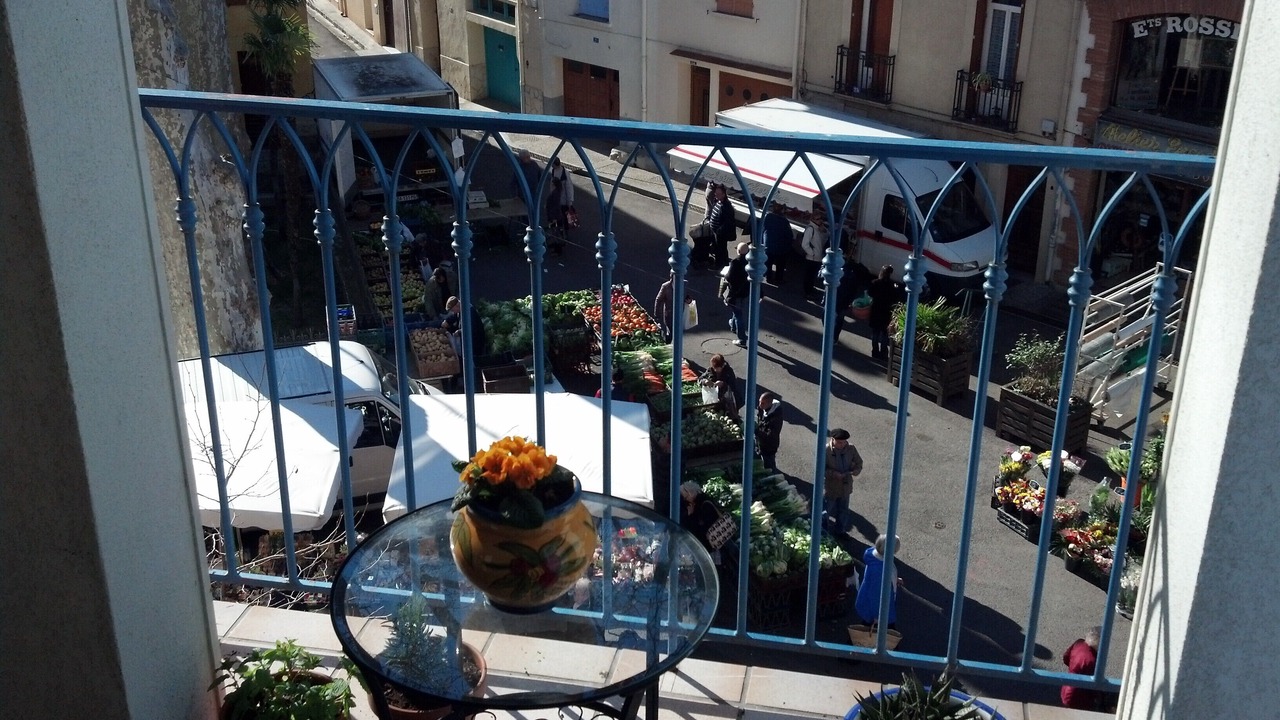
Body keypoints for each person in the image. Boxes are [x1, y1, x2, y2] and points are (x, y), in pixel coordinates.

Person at [854, 534, 901, 629]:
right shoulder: (879, 570)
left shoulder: (875, 556)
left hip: (869, 604)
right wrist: (877, 616)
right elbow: (875, 596)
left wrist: (895, 579)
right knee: (886, 631)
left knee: (866, 628)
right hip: (878, 610)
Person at [823, 428, 863, 534]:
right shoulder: (826, 450)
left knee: (843, 511)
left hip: (845, 486)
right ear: (833, 439)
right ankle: (823, 532)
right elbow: (821, 469)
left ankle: (840, 531)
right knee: (826, 511)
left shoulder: (851, 448)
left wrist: (855, 471)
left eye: (844, 442)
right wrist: (833, 474)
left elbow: (859, 463)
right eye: (840, 442)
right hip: (831, 486)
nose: (842, 445)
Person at [867, 265, 905, 359]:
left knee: (875, 333)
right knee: (884, 334)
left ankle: (875, 351)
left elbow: (869, 293)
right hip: (886, 312)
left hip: (876, 310)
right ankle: (883, 353)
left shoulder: (875, 283)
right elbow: (896, 298)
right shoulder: (892, 286)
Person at [1060, 627, 1102, 710]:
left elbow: (1066, 657)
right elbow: (1093, 684)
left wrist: (1074, 668)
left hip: (1066, 688)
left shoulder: (1078, 643)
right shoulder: (1092, 660)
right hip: (1078, 698)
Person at [679, 480, 723, 555]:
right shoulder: (703, 502)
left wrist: (690, 515)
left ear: (690, 493)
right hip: (715, 542)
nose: (686, 500)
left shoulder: (703, 506)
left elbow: (701, 527)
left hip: (710, 545)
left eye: (686, 497)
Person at [723, 242, 751, 346]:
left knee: (738, 314)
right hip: (746, 292)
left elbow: (729, 277)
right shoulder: (750, 262)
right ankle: (733, 326)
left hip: (735, 293)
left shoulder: (735, 262)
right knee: (737, 311)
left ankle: (742, 339)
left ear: (738, 251)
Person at [762, 203, 794, 286]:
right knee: (780, 264)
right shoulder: (784, 221)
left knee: (768, 263)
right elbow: (789, 235)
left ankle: (768, 277)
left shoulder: (768, 217)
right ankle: (778, 279)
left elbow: (763, 228)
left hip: (768, 244)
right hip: (780, 246)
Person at [653, 272, 691, 342]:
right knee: (671, 332)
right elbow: (658, 300)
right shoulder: (665, 286)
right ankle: (668, 344)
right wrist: (657, 314)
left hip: (680, 313)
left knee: (678, 332)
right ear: (671, 277)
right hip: (670, 314)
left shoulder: (685, 283)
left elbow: (687, 295)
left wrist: (689, 300)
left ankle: (675, 348)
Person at [799, 210, 828, 300]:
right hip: (812, 258)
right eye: (818, 219)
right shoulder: (811, 229)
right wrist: (812, 253)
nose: (820, 221)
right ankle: (807, 292)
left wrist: (824, 231)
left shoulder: (819, 229)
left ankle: (810, 289)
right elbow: (805, 244)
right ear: (813, 219)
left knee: (813, 275)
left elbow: (825, 238)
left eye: (821, 218)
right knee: (809, 276)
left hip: (818, 257)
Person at [707, 183, 736, 269]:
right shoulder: (718, 201)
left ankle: (719, 265)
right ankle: (723, 263)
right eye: (716, 193)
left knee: (721, 249)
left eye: (718, 194)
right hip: (716, 231)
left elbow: (728, 222)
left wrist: (719, 231)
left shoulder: (726, 207)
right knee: (718, 248)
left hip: (720, 233)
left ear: (724, 194)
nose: (716, 195)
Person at [754, 392, 783, 471]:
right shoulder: (762, 409)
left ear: (769, 403)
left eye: (762, 403)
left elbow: (770, 435)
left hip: (769, 446)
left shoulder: (775, 418)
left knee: (769, 465)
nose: (760, 405)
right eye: (759, 401)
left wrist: (757, 431)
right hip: (760, 443)